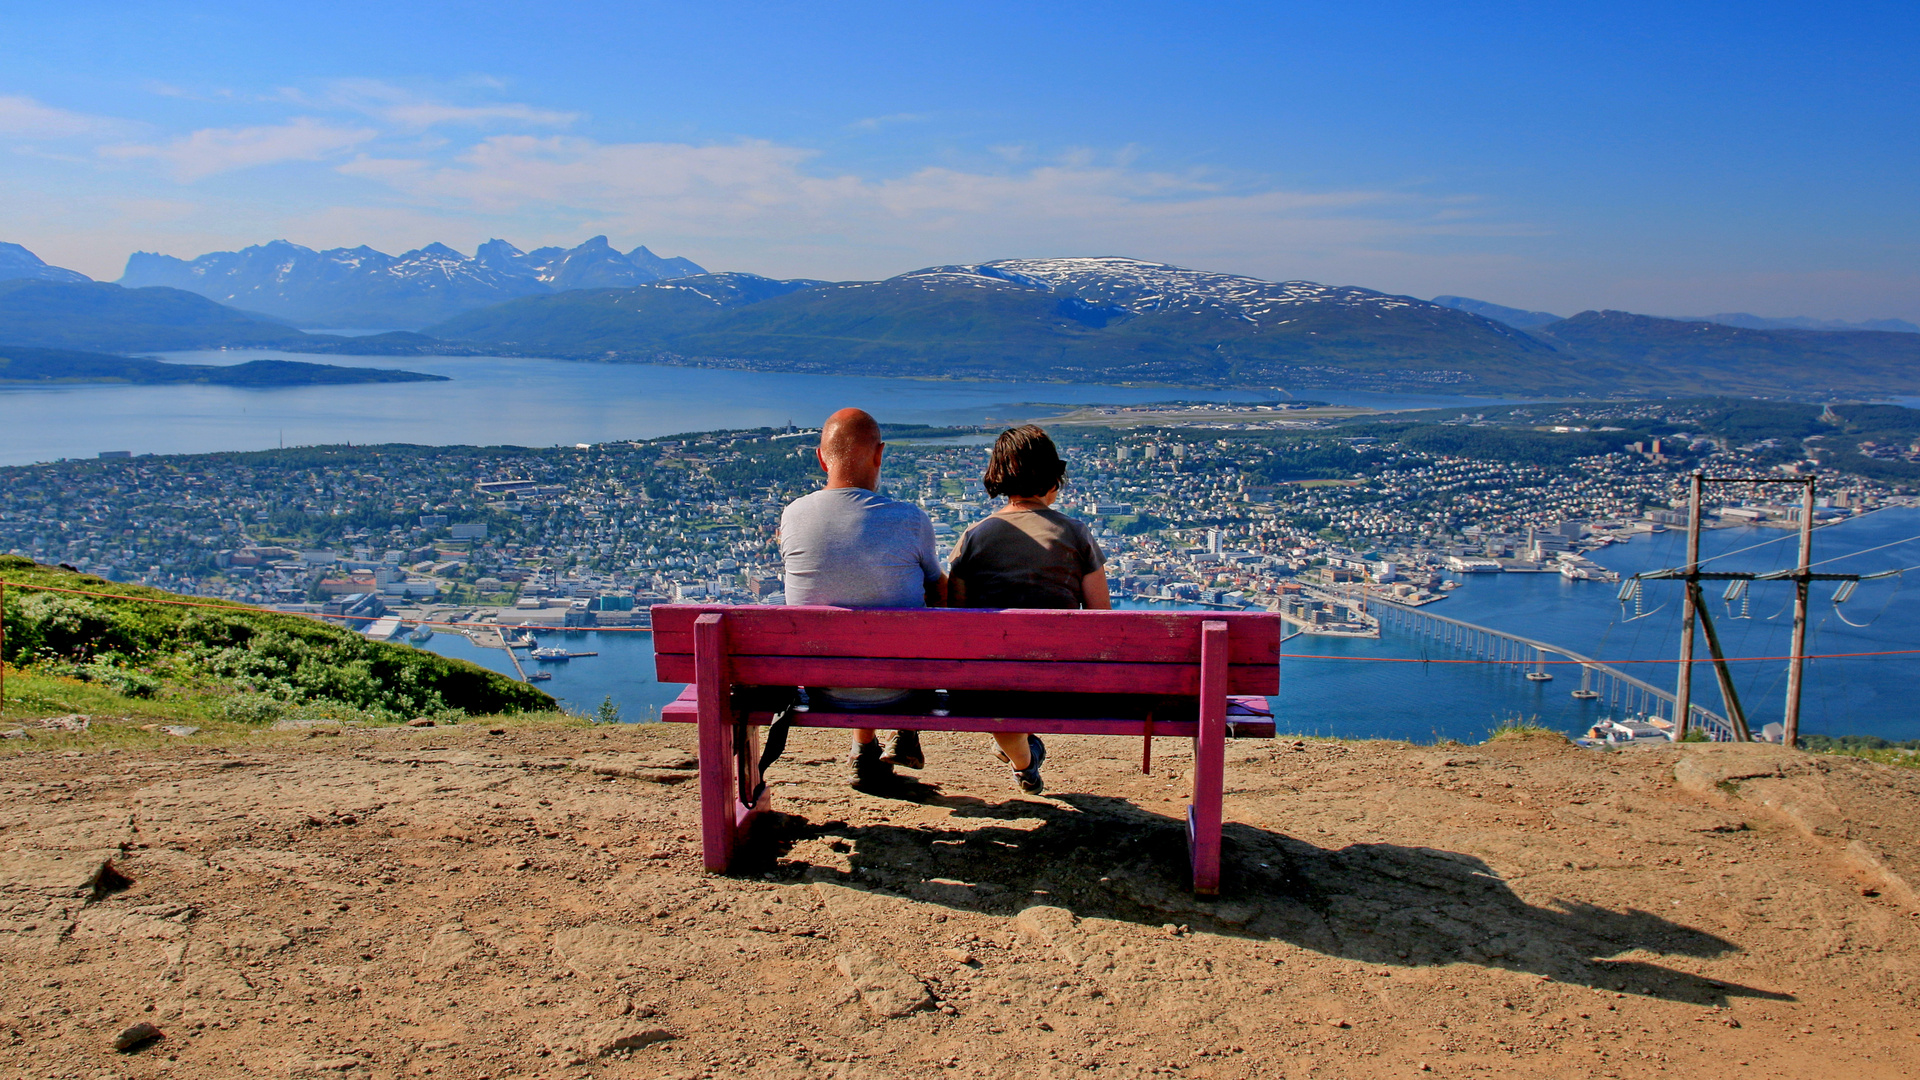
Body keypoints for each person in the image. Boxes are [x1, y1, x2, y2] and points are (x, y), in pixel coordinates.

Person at [779, 407, 945, 790]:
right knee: (905, 598)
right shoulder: (910, 520)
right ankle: (902, 730)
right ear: (879, 454)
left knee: (848, 608)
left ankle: (863, 748)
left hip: (822, 685)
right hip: (901, 687)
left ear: (821, 458)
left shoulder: (793, 515)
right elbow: (940, 596)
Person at [947, 425, 1111, 794]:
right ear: (1053, 476)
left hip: (985, 690)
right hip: (1060, 687)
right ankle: (1026, 762)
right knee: (1012, 692)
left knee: (1000, 697)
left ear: (998, 477)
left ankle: (1025, 762)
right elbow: (1104, 620)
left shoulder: (973, 537)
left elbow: (956, 622)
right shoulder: (1075, 533)